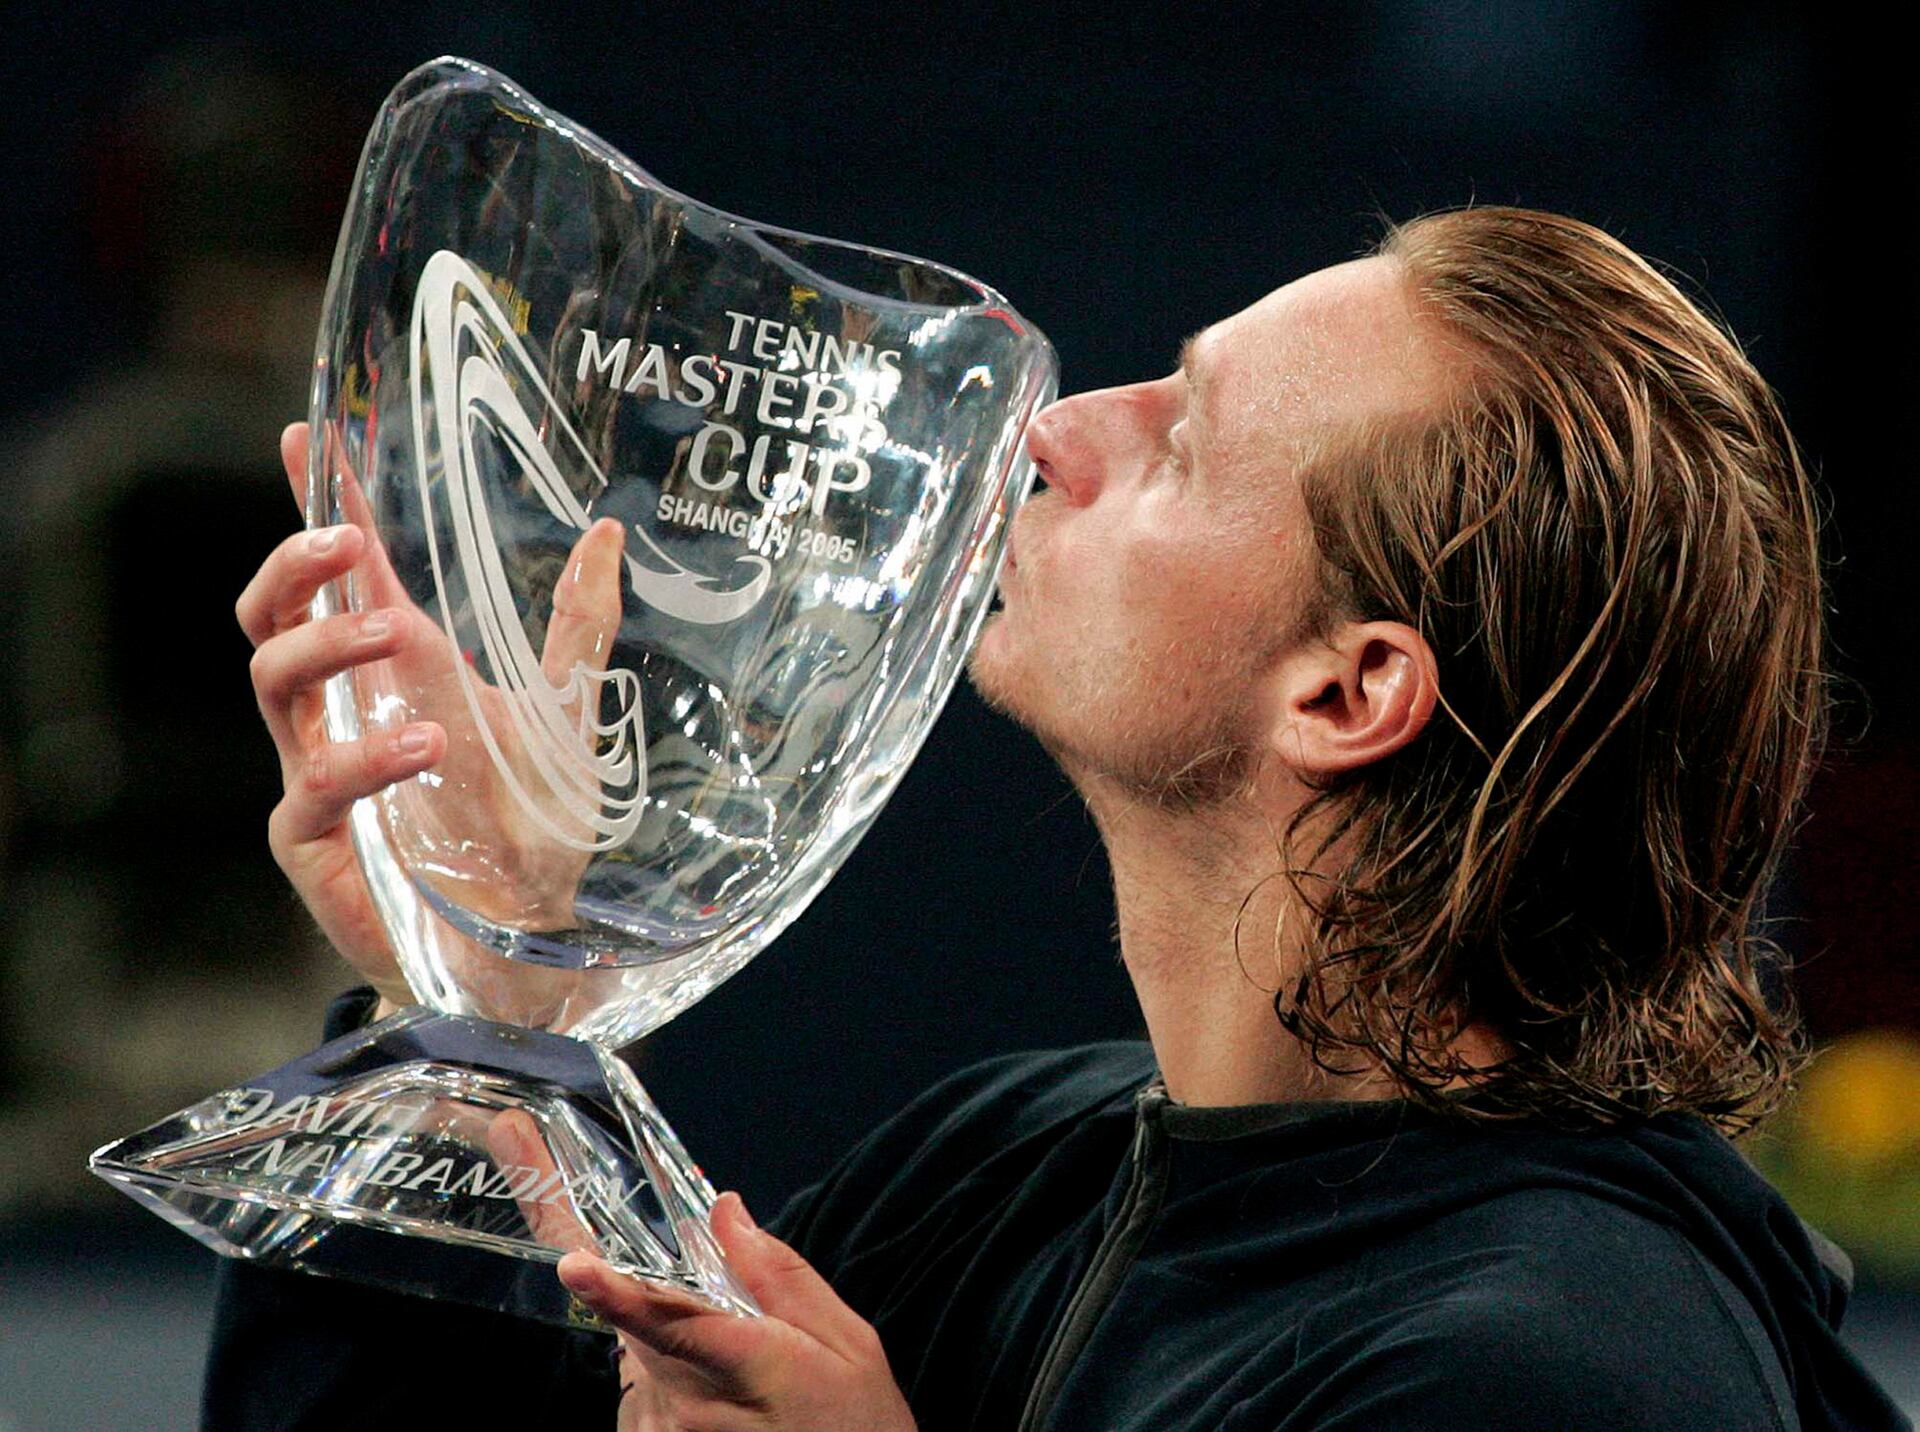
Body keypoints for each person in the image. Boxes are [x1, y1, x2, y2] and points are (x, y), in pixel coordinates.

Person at [208, 206, 1910, 1430]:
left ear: (1346, 692)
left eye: (1182, 436)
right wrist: (484, 996)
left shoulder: (1554, 1375)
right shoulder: (1011, 1161)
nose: (1060, 429)